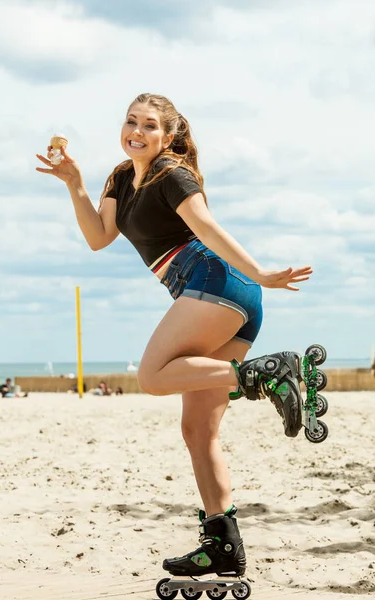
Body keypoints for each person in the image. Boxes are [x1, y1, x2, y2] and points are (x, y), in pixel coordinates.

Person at [36, 93, 312, 581]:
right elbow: (99, 237)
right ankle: (221, 543)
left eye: (148, 125)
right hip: (221, 296)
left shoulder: (172, 173)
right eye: (130, 122)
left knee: (152, 376)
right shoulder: (122, 176)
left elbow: (206, 227)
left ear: (168, 135)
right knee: (198, 431)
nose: (136, 132)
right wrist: (74, 184)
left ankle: (262, 375)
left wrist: (261, 271)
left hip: (215, 281)